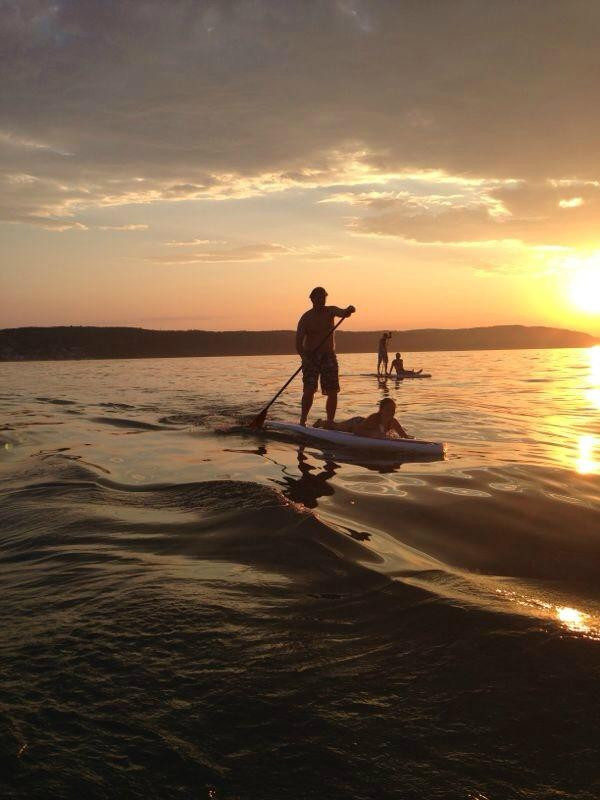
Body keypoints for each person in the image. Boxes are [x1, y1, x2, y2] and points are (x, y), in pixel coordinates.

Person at [296, 287, 355, 426]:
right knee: (309, 390)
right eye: (318, 298)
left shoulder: (331, 311)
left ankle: (330, 422)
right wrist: (304, 357)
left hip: (328, 356)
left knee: (333, 390)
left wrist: (350, 310)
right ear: (311, 299)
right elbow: (298, 343)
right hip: (311, 357)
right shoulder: (305, 318)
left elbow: (344, 313)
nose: (321, 301)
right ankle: (303, 420)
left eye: (323, 298)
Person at [315, 397, 413, 439]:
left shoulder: (393, 422)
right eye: (388, 410)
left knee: (334, 425)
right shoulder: (375, 418)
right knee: (334, 426)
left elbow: (404, 436)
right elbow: (357, 431)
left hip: (363, 424)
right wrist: (373, 434)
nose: (391, 412)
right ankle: (320, 423)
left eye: (393, 410)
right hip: (354, 424)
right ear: (381, 410)